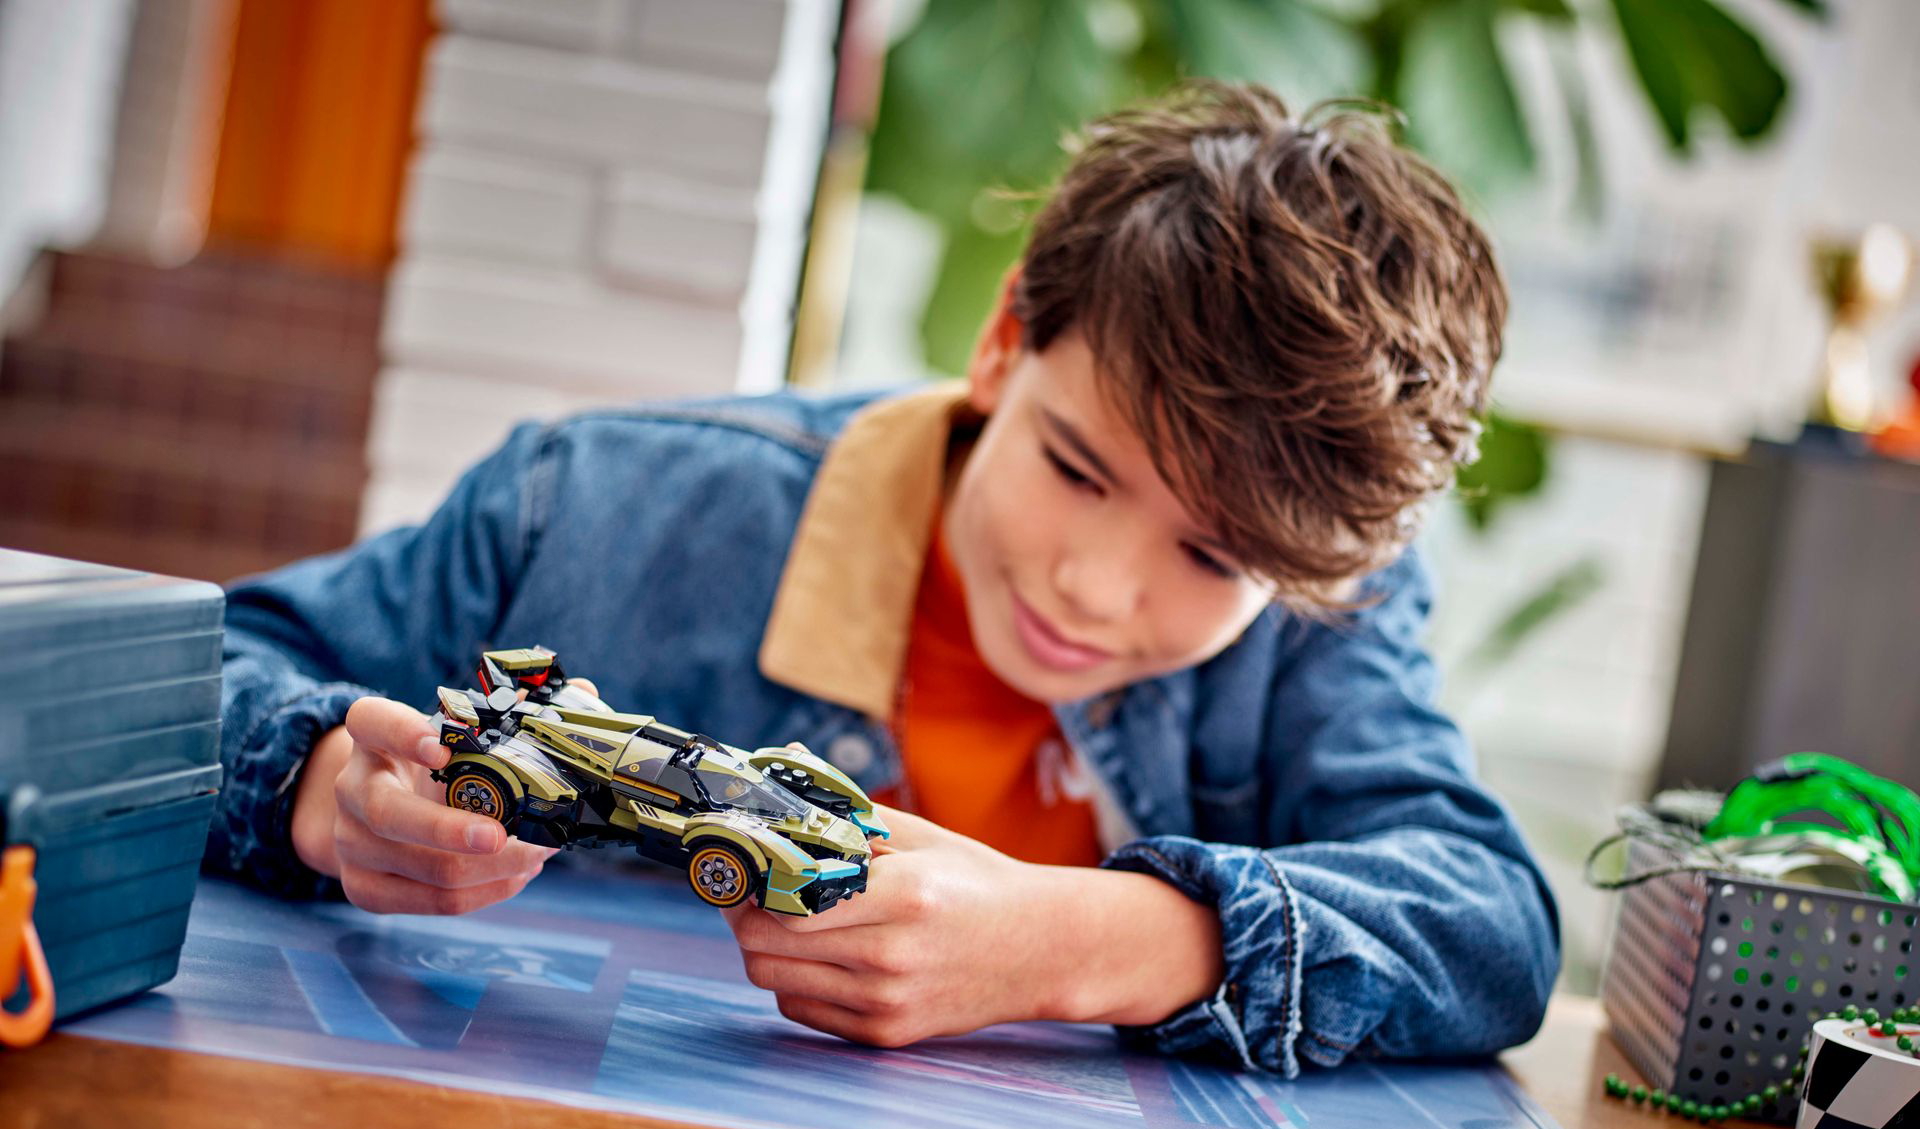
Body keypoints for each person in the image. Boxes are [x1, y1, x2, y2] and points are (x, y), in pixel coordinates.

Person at [211, 82, 1558, 1075]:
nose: (1094, 588)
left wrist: (1079, 941)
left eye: (1211, 556)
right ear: (1002, 343)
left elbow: (1490, 925)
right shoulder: (596, 509)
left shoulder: (1319, 603)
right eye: (1078, 468)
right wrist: (320, 786)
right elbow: (195, 668)